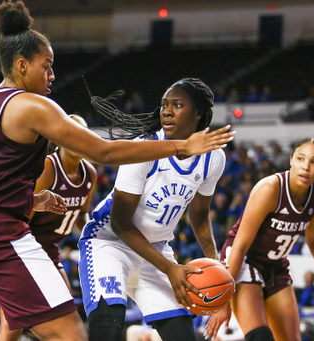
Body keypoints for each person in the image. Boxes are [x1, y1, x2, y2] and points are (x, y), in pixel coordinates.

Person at [0, 2, 235, 341]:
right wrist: (180, 146)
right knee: (71, 335)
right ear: (21, 65)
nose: (52, 76)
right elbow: (103, 151)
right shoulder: (33, 105)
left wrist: (30, 197)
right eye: (46, 66)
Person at [78, 78, 230, 341]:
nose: (166, 111)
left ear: (198, 114)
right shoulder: (143, 148)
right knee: (108, 329)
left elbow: (200, 218)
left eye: (177, 105)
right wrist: (170, 269)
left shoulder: (213, 158)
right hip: (109, 243)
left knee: (182, 337)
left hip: (155, 249)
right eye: (164, 105)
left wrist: (215, 265)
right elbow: (121, 224)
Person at [205, 138, 314, 341]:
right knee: (260, 337)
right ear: (291, 160)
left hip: (276, 265)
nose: (306, 166)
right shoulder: (270, 188)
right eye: (301, 158)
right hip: (244, 261)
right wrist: (223, 301)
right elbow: (240, 246)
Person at [0, 114, 97, 341]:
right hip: (24, 249)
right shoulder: (49, 167)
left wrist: (93, 235)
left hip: (50, 250)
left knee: (67, 321)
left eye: (83, 133)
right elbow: (21, 217)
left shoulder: (90, 173)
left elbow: (80, 214)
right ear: (60, 137)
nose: (78, 138)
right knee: (12, 326)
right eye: (72, 132)